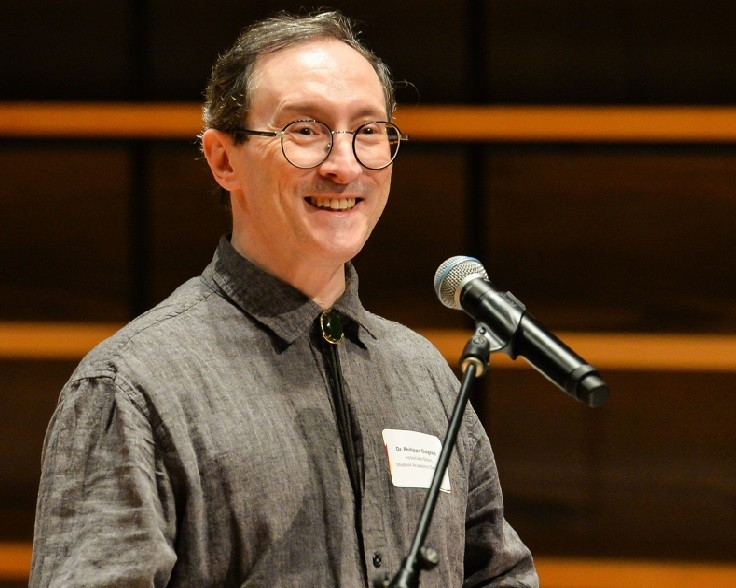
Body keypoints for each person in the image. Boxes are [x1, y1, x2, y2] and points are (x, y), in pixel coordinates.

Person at [30, 10, 538, 588]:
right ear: (224, 159)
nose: (344, 165)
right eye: (306, 130)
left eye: (368, 131)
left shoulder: (424, 373)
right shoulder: (132, 388)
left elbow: (498, 574)